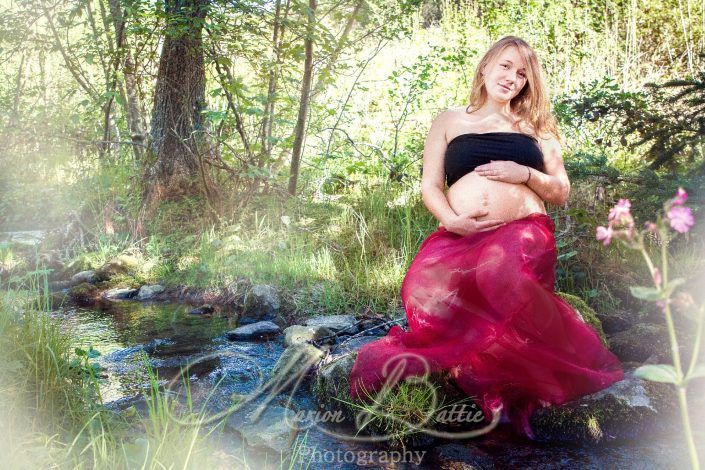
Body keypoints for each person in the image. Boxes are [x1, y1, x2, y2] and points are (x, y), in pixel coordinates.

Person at [348, 36, 624, 437]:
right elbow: (430, 187)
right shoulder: (448, 120)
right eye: (506, 66)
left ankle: (522, 388)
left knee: (499, 276)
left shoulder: (536, 127)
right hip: (463, 234)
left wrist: (524, 173)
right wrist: (452, 220)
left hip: (522, 231)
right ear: (485, 66)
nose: (512, 78)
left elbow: (561, 190)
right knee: (419, 286)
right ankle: (482, 376)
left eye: (522, 74)